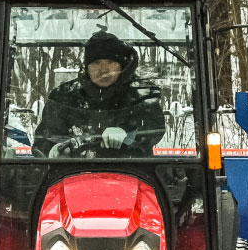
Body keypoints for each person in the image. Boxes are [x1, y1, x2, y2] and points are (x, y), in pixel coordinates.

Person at [32, 30, 166, 158]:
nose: (104, 70)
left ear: (121, 65)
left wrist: (127, 132)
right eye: (96, 63)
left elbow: (154, 129)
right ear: (87, 66)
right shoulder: (64, 96)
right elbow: (44, 139)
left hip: (132, 172)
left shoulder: (141, 94)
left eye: (110, 62)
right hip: (72, 173)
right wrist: (54, 150)